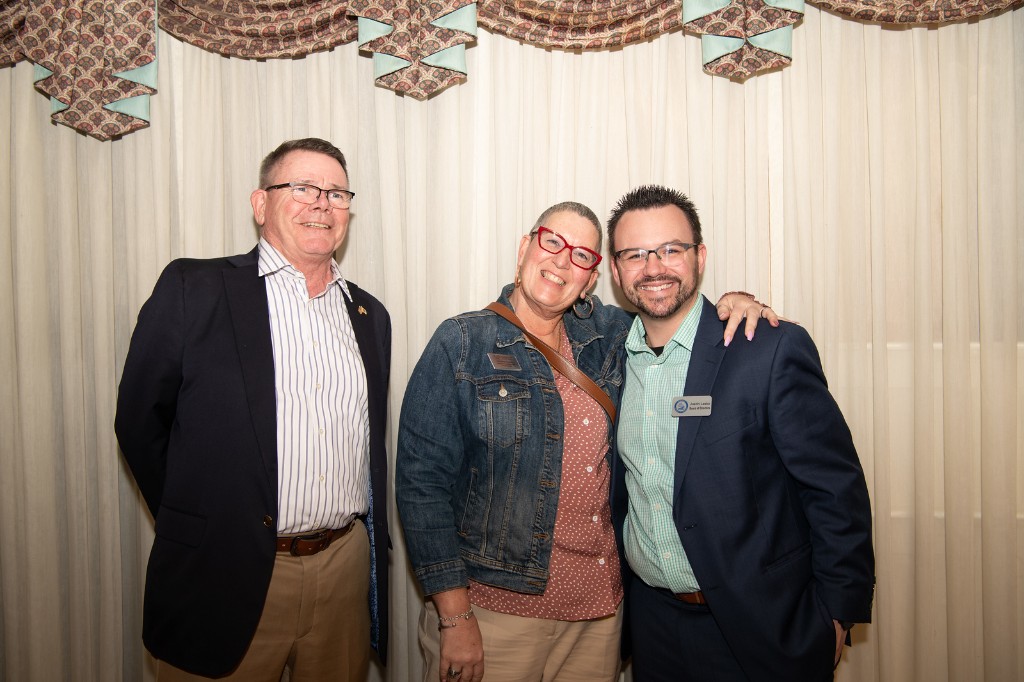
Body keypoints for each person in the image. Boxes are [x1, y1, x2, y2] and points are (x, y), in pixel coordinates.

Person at [396, 201, 776, 682]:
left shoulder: (611, 336)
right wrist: (454, 616)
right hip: (495, 614)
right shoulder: (462, 342)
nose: (561, 261)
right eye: (551, 242)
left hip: (599, 615)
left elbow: (673, 309)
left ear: (594, 277)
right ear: (524, 248)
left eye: (581, 256)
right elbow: (420, 485)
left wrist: (737, 301)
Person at [114, 138, 390, 681]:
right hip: (224, 570)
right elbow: (139, 422)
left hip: (343, 569)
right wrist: (200, 519)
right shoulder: (195, 288)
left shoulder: (369, 314)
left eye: (336, 192)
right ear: (260, 203)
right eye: (303, 187)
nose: (321, 202)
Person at [606, 185, 875, 681]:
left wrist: (838, 613)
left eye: (671, 249)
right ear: (617, 270)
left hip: (761, 624)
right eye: (635, 254)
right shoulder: (610, 356)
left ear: (699, 257)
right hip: (653, 626)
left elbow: (835, 489)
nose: (654, 267)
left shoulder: (766, 349)